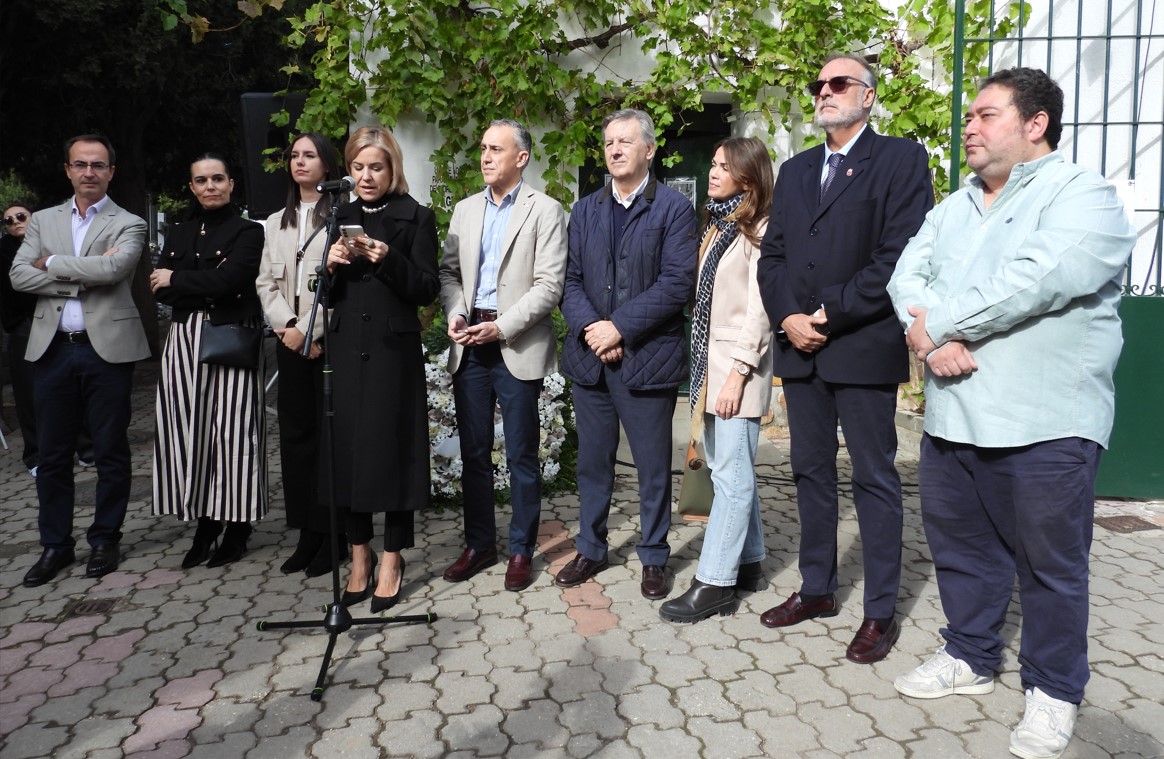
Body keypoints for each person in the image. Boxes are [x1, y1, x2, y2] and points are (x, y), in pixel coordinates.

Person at [888, 67, 1135, 759]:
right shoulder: (954, 205)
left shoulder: (1082, 196)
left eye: (987, 114)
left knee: (1052, 565)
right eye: (968, 115)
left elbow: (1041, 276)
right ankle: (969, 655)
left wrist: (938, 326)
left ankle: (1054, 691)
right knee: (962, 550)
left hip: (1046, 419)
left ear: (1036, 125)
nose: (969, 126)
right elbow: (907, 273)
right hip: (954, 416)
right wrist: (926, 334)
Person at [755, 54, 933, 663]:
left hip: (860, 344)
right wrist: (787, 317)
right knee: (809, 473)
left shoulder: (901, 160)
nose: (824, 93)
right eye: (819, 85)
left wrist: (827, 313)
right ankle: (817, 588)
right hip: (800, 350)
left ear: (869, 96)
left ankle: (880, 612)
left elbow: (899, 255)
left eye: (838, 83)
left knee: (874, 477)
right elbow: (772, 257)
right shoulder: (798, 168)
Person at [555, 108, 697, 601]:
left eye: (625, 142)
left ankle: (654, 555)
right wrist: (593, 327)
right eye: (609, 142)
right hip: (590, 361)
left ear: (649, 150)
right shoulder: (586, 208)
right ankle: (591, 548)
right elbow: (570, 279)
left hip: (646, 358)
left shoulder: (674, 209)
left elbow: (677, 283)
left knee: (653, 466)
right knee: (594, 463)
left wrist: (619, 327)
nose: (614, 150)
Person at [11, 134, 151, 587]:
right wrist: (75, 278)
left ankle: (105, 538)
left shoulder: (129, 222)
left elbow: (114, 271)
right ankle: (55, 544)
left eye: (98, 165)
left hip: (106, 350)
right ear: (67, 169)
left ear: (112, 171)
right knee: (52, 454)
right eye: (80, 164)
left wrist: (49, 263)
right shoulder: (44, 219)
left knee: (110, 450)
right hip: (53, 350)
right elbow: (18, 274)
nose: (89, 172)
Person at [438, 119, 567, 592]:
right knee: (473, 452)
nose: (485, 156)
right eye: (483, 148)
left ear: (522, 157)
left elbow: (549, 285)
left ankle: (520, 549)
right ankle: (479, 545)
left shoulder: (546, 210)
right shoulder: (465, 210)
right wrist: (455, 313)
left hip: (514, 341)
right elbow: (448, 273)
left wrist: (502, 325)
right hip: (469, 341)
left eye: (496, 149)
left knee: (520, 455)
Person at [659, 137, 775, 623]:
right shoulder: (722, 224)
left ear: (747, 178)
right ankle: (749, 562)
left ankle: (714, 584)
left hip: (737, 369)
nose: (712, 172)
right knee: (730, 467)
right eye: (712, 163)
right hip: (712, 365)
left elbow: (761, 309)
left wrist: (738, 374)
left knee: (730, 476)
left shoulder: (759, 230)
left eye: (723, 166)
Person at [324, 125, 439, 613]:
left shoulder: (417, 216)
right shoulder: (340, 215)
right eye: (357, 167)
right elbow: (325, 298)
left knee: (393, 456)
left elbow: (427, 288)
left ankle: (392, 558)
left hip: (394, 353)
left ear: (392, 168)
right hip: (346, 349)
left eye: (376, 167)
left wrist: (390, 258)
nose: (366, 176)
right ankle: (359, 557)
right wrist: (327, 267)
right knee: (348, 454)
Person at [150, 153, 268, 569]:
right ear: (192, 187)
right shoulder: (179, 231)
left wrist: (179, 279)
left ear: (232, 183)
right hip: (182, 338)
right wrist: (196, 285)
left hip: (231, 335)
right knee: (188, 430)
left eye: (218, 178)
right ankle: (205, 520)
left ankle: (238, 524)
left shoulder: (250, 231)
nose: (210, 186)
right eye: (201, 180)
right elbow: (158, 290)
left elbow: (233, 280)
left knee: (234, 431)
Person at [256, 132, 347, 577]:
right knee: (296, 439)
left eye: (309, 155)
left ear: (327, 165)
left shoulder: (341, 217)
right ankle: (307, 531)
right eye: (294, 155)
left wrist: (310, 328)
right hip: (290, 340)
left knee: (330, 440)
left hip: (327, 341)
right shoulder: (276, 221)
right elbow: (265, 284)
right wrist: (290, 328)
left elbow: (340, 288)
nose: (300, 162)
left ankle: (335, 535)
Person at [2, 202, 39, 476]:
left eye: (20, 216)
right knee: (27, 393)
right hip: (23, 327)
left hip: (56, 322)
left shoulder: (49, 242)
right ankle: (35, 456)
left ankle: (83, 448)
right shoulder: (2, 252)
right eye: (8, 220)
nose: (15, 222)